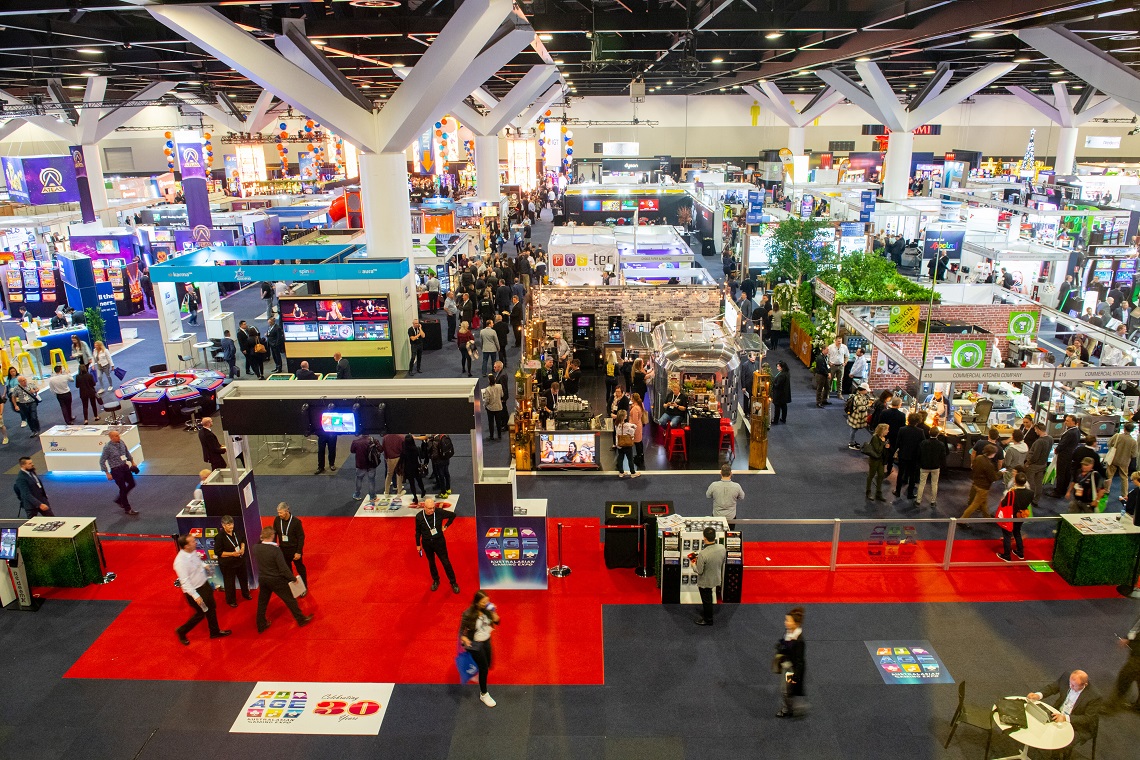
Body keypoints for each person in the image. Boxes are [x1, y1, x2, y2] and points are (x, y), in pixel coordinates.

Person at [252, 526, 312, 633]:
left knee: (262, 603)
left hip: (263, 579)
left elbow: (259, 543)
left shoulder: (256, 548)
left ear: (262, 536)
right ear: (272, 536)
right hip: (276, 580)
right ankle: (301, 619)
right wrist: (293, 578)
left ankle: (260, 624)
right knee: (290, 599)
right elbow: (283, 569)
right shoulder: (275, 550)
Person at [1027, 671, 1102, 757]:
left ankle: (1056, 756)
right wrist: (1038, 695)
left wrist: (1066, 718)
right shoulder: (1066, 677)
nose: (1070, 686)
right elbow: (1052, 688)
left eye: (1074, 686)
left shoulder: (1095, 696)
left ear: (1084, 685)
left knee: (1060, 742)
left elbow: (1088, 719)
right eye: (1070, 683)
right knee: (1037, 720)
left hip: (1078, 725)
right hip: (1059, 713)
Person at [172, 534, 230, 645]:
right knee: (201, 613)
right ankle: (182, 631)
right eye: (192, 542)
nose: (195, 542)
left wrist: (204, 565)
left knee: (211, 608)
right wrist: (196, 596)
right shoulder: (180, 562)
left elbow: (197, 562)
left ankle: (215, 632)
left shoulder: (192, 551)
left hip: (205, 586)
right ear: (186, 546)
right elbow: (185, 582)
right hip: (196, 592)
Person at [459, 591, 501, 707]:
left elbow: (497, 621)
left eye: (487, 601)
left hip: (486, 641)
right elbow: (461, 631)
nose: (486, 604)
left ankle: (477, 671)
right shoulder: (468, 614)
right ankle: (484, 694)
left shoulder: (487, 610)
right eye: (483, 602)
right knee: (484, 668)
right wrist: (464, 638)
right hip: (475, 644)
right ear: (477, 602)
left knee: (488, 663)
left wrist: (493, 613)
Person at [415, 497, 460, 593]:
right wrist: (418, 544)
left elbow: (453, 515)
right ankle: (436, 580)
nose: (432, 510)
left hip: (439, 542)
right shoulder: (419, 517)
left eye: (433, 508)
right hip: (427, 543)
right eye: (429, 508)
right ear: (424, 507)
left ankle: (453, 582)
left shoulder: (439, 512)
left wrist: (446, 525)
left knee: (446, 562)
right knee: (431, 562)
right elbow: (418, 532)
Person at [774, 606, 806, 718]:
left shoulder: (799, 641)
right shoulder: (788, 632)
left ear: (795, 624)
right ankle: (790, 707)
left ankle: (788, 709)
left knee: (786, 690)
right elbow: (785, 643)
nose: (785, 622)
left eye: (788, 621)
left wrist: (795, 676)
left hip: (792, 669)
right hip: (786, 665)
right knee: (787, 690)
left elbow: (799, 661)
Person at [995, 471, 1033, 561]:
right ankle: (1020, 553)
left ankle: (1007, 556)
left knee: (1007, 535)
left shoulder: (1011, 493)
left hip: (1010, 516)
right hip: (1021, 515)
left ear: (1015, 481)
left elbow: (1004, 503)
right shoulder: (1031, 493)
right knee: (1017, 532)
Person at [692, 526, 726, 626]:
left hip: (705, 581)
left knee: (706, 599)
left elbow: (699, 571)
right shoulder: (722, 548)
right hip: (716, 578)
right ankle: (708, 613)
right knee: (709, 597)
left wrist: (693, 564)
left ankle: (708, 619)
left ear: (705, 538)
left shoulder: (703, 554)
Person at [216, 514, 251, 607]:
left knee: (243, 579)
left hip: (239, 561)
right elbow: (219, 552)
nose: (231, 526)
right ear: (223, 525)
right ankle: (231, 600)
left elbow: (243, 540)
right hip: (228, 564)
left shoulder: (236, 532)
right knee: (229, 583)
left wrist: (243, 548)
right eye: (228, 525)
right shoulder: (219, 537)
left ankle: (246, 594)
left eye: (232, 524)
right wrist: (232, 554)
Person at [100, 430, 138, 515]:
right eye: (116, 436)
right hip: (116, 470)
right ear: (111, 438)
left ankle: (119, 499)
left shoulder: (121, 442)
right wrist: (107, 473)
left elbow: (127, 453)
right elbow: (102, 461)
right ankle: (127, 508)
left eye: (118, 435)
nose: (119, 437)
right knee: (123, 488)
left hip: (125, 467)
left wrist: (132, 462)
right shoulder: (107, 448)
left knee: (132, 484)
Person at [273, 502, 307, 587]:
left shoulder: (296, 522)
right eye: (278, 512)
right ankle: (291, 586)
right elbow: (274, 534)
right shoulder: (277, 520)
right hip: (283, 550)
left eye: (281, 513)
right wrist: (274, 547)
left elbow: (301, 537)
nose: (279, 514)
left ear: (287, 511)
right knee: (287, 570)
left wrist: (298, 552)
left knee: (300, 568)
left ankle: (304, 586)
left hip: (294, 550)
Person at [962, 444, 1000, 521]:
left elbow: (974, 467)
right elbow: (994, 478)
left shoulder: (978, 458)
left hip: (976, 483)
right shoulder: (989, 464)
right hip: (983, 487)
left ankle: (987, 517)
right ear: (992, 453)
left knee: (983, 502)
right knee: (975, 505)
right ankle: (962, 520)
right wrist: (1000, 473)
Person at [893, 412, 925, 499]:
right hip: (914, 456)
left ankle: (897, 491)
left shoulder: (902, 429)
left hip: (903, 455)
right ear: (918, 421)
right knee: (912, 475)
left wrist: (896, 452)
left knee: (900, 474)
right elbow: (922, 444)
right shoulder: (920, 431)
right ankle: (910, 493)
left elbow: (897, 443)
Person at [916, 428, 948, 509]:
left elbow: (918, 454)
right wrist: (943, 466)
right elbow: (943, 457)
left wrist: (919, 464)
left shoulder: (923, 443)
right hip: (935, 467)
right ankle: (933, 502)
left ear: (929, 432)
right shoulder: (941, 444)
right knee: (934, 484)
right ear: (938, 434)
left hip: (924, 466)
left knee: (922, 483)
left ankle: (918, 501)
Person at [1051, 414, 1082, 497]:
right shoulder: (1077, 431)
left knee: (1061, 473)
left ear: (1073, 422)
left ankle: (1058, 491)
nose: (1065, 422)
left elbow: (1063, 444)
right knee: (1066, 473)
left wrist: (1057, 450)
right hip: (1070, 454)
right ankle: (1063, 489)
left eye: (1067, 421)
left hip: (1064, 455)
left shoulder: (1070, 433)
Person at [1106, 423, 1137, 503]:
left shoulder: (1117, 436)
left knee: (1109, 475)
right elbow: (1134, 455)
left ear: (1124, 428)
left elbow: (1109, 444)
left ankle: (1106, 490)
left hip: (1113, 459)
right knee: (1124, 478)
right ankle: (1124, 495)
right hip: (1124, 462)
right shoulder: (1133, 442)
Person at [1114, 616, 1140, 709]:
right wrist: (1128, 637)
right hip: (1136, 650)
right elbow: (1137, 625)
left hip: (1138, 656)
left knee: (1125, 676)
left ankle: (1112, 705)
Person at [350, 431, 381, 505]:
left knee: (359, 479)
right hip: (371, 464)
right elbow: (381, 449)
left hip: (360, 465)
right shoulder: (374, 441)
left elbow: (352, 451)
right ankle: (372, 497)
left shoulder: (356, 442)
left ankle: (357, 494)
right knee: (371, 480)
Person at [1026, 422, 1054, 506]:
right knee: (1039, 483)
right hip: (1043, 464)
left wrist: (1028, 463)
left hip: (1034, 465)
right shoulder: (1050, 438)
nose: (1035, 431)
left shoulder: (1039, 442)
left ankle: (1029, 498)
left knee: (1030, 482)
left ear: (1038, 429)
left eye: (1035, 429)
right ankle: (1036, 500)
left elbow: (1035, 456)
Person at [879, 397, 908, 479]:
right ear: (899, 405)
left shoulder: (884, 412)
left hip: (884, 434)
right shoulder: (902, 415)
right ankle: (889, 468)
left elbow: (880, 423)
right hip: (895, 436)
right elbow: (902, 427)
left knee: (881, 450)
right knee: (891, 452)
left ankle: (880, 467)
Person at [400, 434, 426, 504]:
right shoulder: (416, 449)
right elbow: (422, 456)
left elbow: (401, 460)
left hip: (408, 469)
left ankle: (415, 497)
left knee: (412, 484)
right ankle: (423, 491)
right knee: (419, 480)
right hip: (416, 467)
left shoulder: (404, 451)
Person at [845, 383, 872, 448]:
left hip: (856, 417)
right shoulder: (858, 397)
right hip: (856, 417)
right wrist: (868, 406)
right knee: (853, 430)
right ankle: (851, 443)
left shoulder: (861, 395)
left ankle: (852, 441)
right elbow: (860, 408)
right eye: (866, 390)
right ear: (863, 390)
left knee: (854, 429)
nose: (867, 391)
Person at [482, 374, 505, 440]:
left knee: (491, 422)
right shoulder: (499, 386)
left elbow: (487, 400)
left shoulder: (487, 389)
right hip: (498, 407)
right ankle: (499, 435)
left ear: (489, 381)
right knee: (498, 422)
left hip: (490, 408)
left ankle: (491, 436)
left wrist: (484, 405)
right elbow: (502, 395)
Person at [382, 432, 405, 497]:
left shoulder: (385, 437)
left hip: (389, 458)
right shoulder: (401, 437)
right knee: (399, 474)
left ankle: (386, 492)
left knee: (389, 474)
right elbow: (403, 449)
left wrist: (386, 458)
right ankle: (399, 491)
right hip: (399, 457)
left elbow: (384, 449)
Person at [628, 392, 646, 466]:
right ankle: (641, 455)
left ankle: (639, 457)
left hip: (635, 427)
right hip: (639, 424)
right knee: (639, 441)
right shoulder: (640, 405)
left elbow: (634, 420)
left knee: (637, 443)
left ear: (633, 399)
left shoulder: (635, 408)